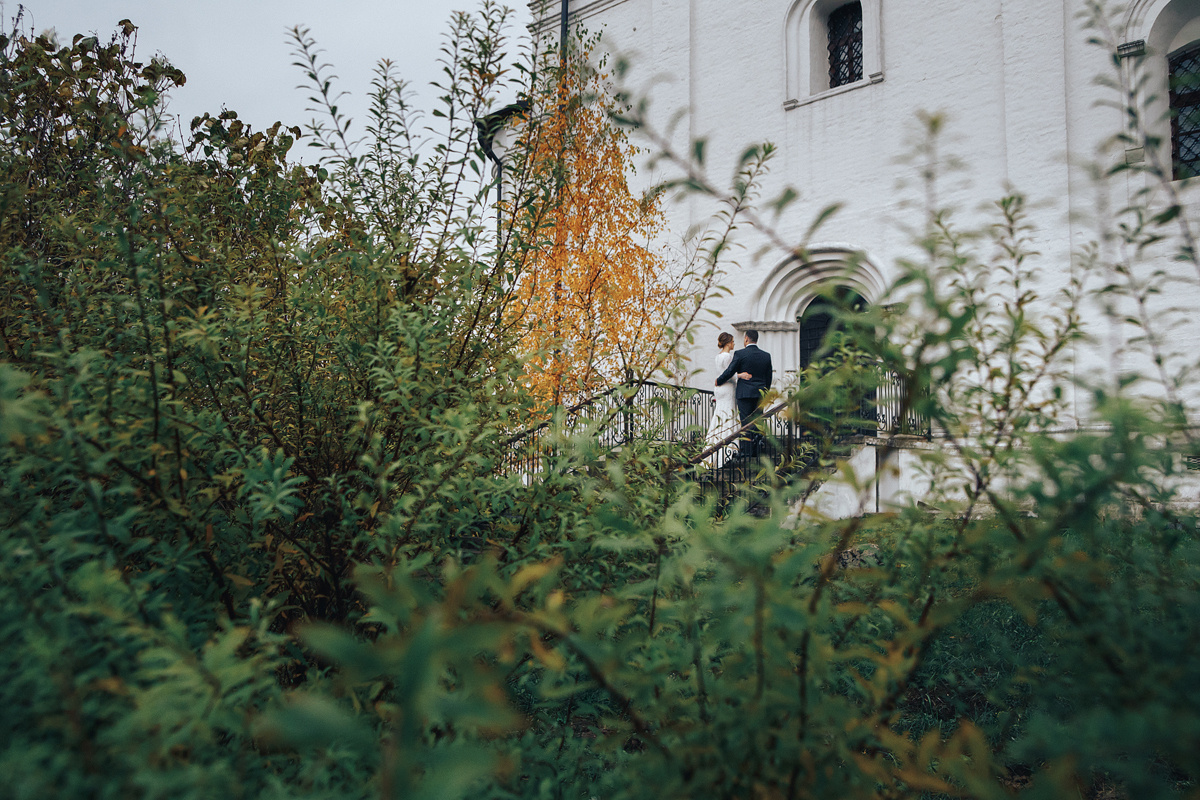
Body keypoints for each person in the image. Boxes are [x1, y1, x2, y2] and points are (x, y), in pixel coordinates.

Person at [715, 329, 773, 458]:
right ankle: (758, 451)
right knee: (758, 421)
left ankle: (747, 452)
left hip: (744, 394)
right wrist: (765, 392)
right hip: (760, 394)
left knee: (746, 423)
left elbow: (730, 371)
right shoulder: (766, 355)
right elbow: (769, 377)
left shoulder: (740, 354)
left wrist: (719, 380)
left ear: (746, 339)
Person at [703, 332, 739, 465]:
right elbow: (729, 374)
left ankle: (714, 445)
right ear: (728, 343)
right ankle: (728, 449)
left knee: (719, 415)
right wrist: (741, 376)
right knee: (729, 414)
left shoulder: (717, 357)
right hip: (728, 388)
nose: (734, 344)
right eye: (733, 341)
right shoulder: (728, 357)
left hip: (719, 389)